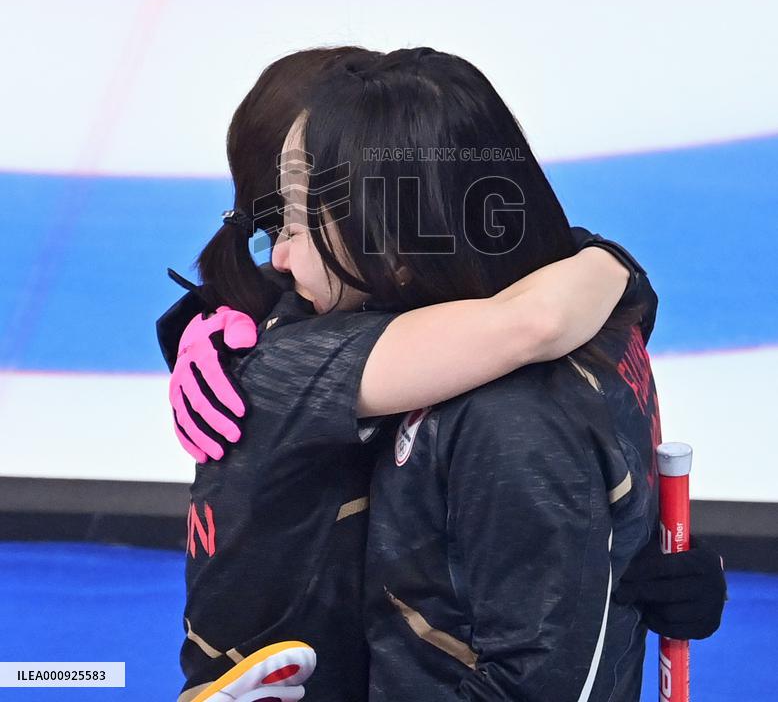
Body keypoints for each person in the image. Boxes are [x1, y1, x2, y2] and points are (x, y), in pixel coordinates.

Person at [157, 48, 724, 702]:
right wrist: (609, 266)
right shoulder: (295, 356)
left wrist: (618, 546)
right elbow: (535, 320)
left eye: (300, 219)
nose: (280, 259)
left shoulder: (536, 352)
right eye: (277, 221)